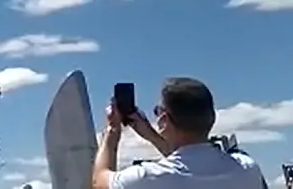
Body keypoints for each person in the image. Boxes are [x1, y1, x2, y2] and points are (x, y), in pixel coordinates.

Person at [92, 77, 266, 189]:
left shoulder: (146, 179)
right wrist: (152, 136)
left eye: (157, 111)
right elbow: (192, 165)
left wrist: (112, 131)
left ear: (164, 119)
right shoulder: (247, 169)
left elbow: (99, 181)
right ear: (211, 117)